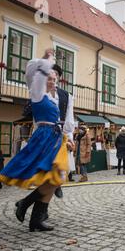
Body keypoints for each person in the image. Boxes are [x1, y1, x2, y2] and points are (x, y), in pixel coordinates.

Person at [0, 48, 72, 232]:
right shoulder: (37, 93)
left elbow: (65, 120)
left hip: (55, 138)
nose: (52, 81)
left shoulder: (54, 98)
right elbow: (38, 75)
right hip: (45, 138)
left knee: (58, 178)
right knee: (56, 177)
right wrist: (48, 59)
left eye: (54, 79)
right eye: (50, 78)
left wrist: (68, 137)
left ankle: (31, 214)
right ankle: (27, 207)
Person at [50, 64, 75, 199]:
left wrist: (69, 138)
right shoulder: (40, 93)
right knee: (45, 175)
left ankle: (36, 210)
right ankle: (32, 208)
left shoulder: (66, 96)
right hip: (44, 137)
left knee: (58, 172)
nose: (53, 77)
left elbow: (69, 122)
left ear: (59, 77)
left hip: (59, 136)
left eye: (55, 74)